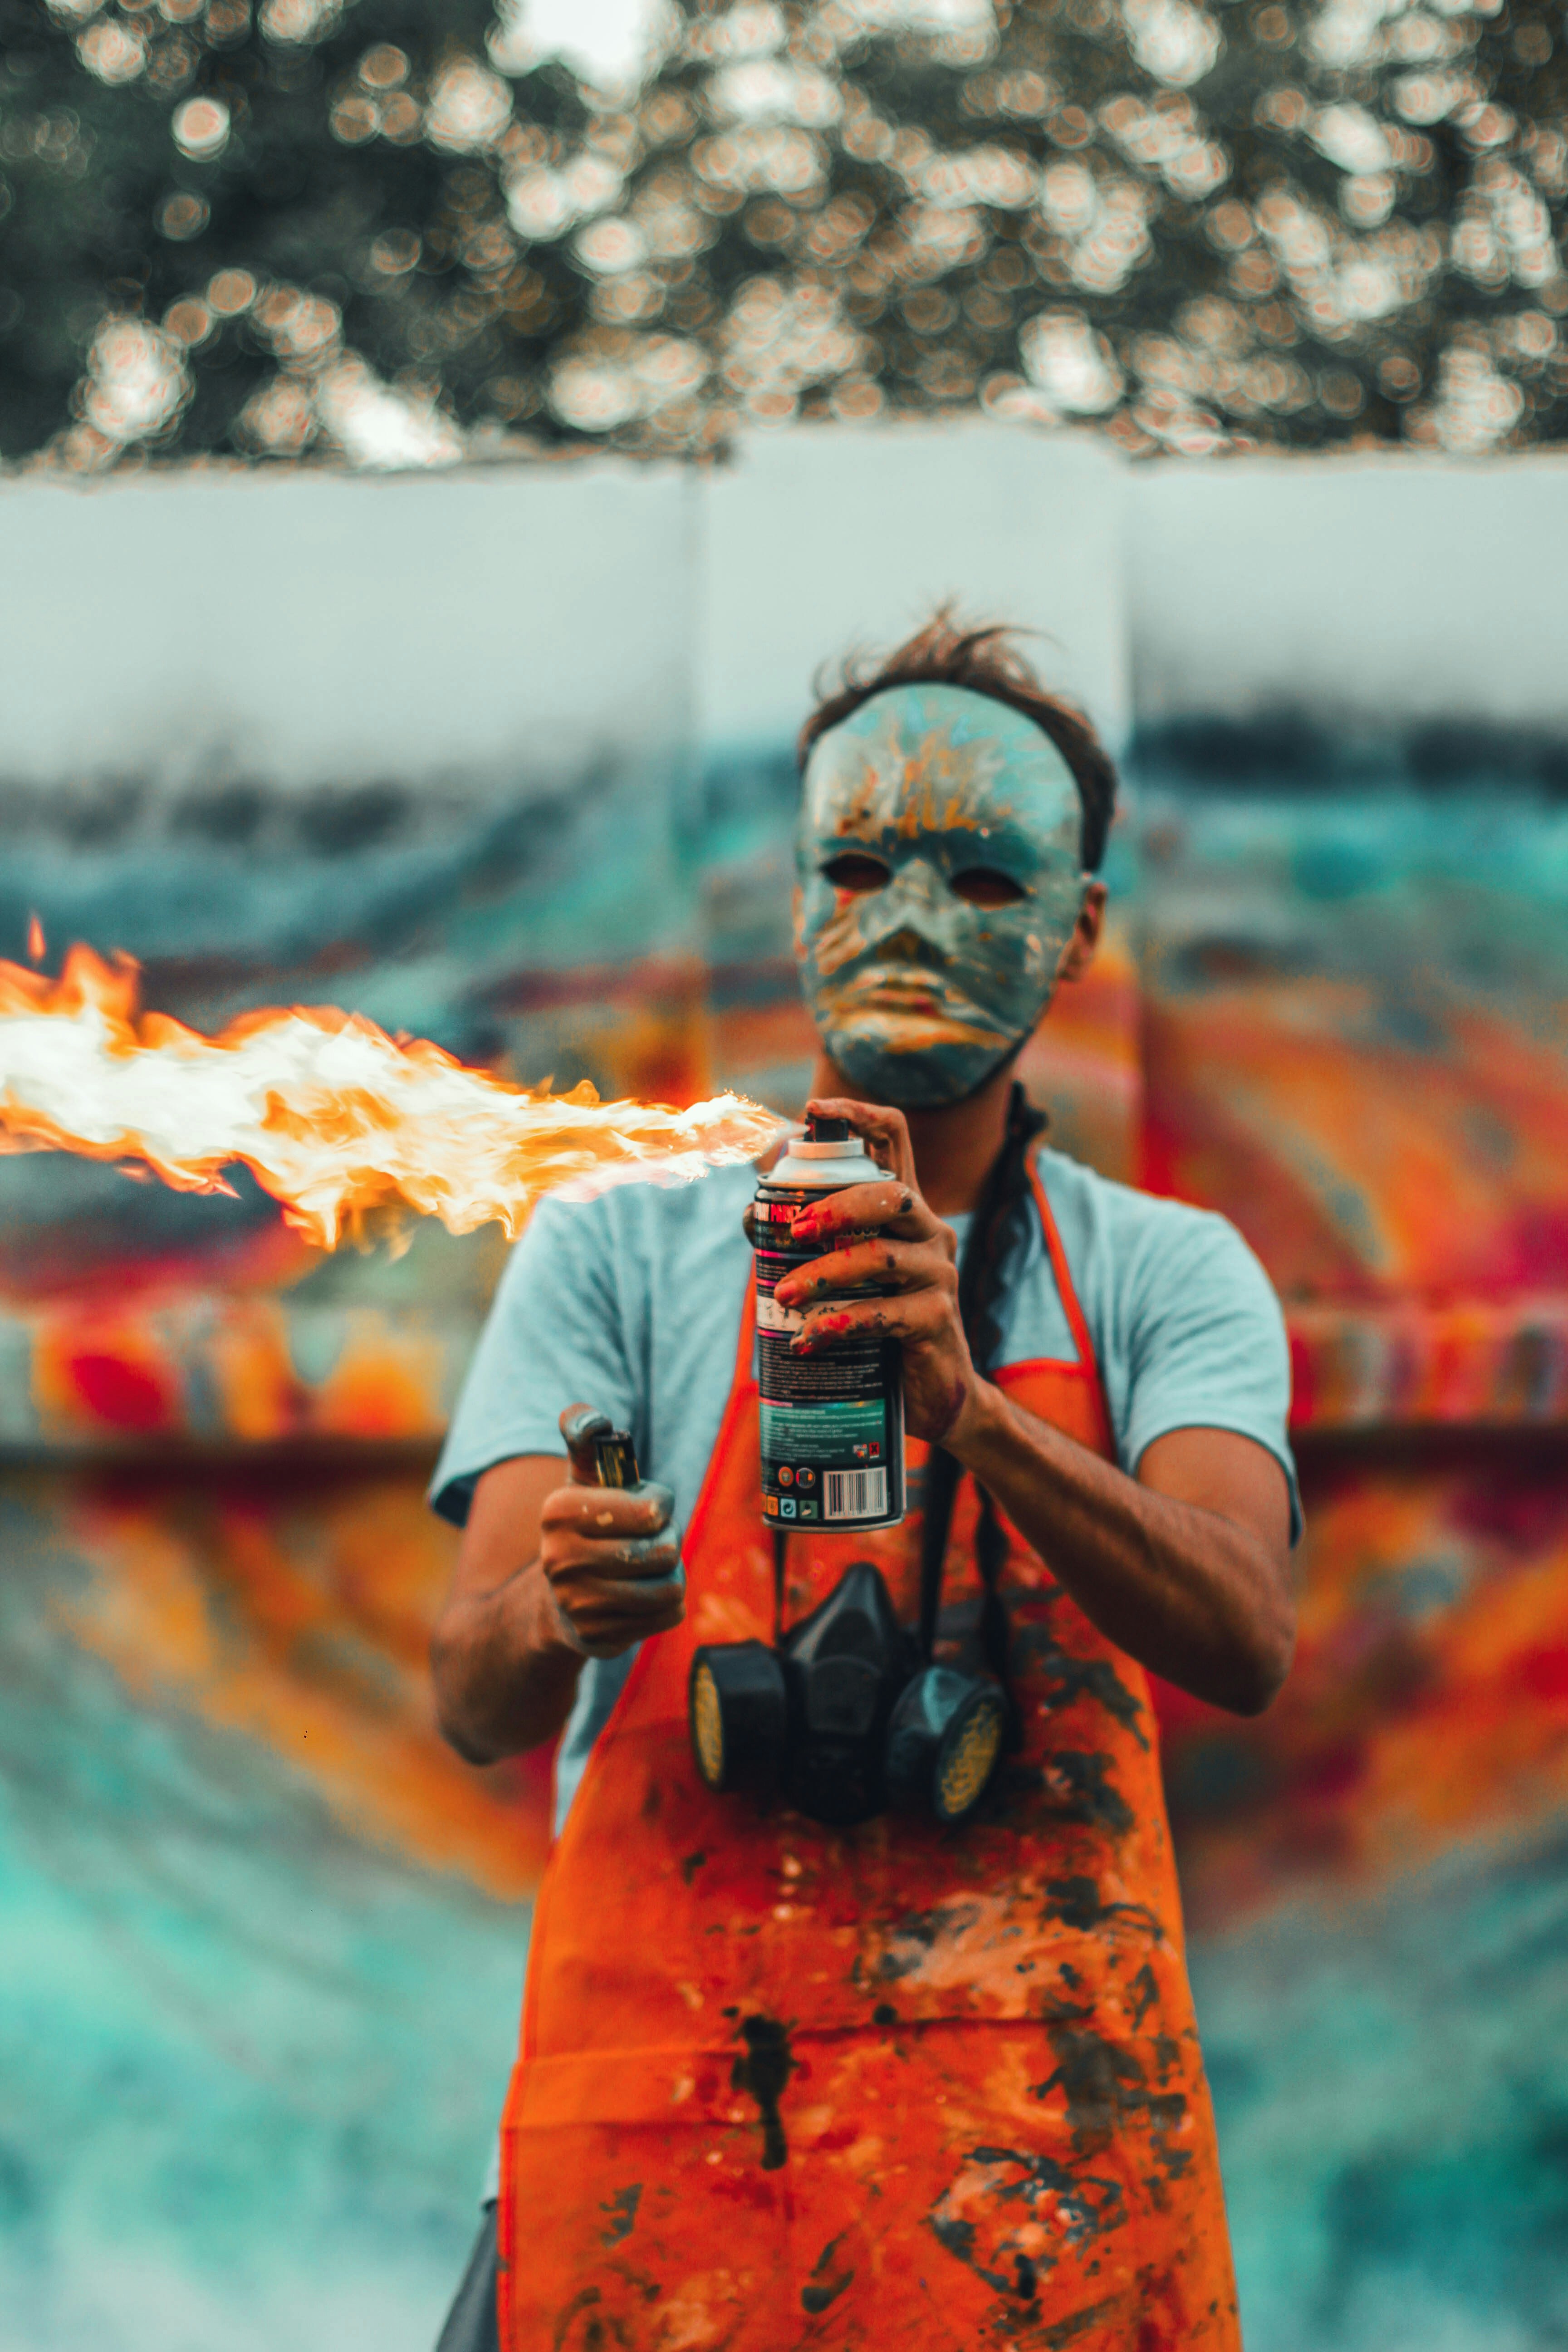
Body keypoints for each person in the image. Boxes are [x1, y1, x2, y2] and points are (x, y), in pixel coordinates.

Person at [427, 615, 1298, 2352]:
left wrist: (971, 1411)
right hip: (676, 2117)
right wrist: (560, 1603)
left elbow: (1245, 1634)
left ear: (1081, 927)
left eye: (982, 877)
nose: (908, 920)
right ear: (800, 898)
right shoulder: (614, 1244)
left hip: (1040, 2151)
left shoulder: (1170, 1272)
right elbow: (469, 1692)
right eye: (859, 862)